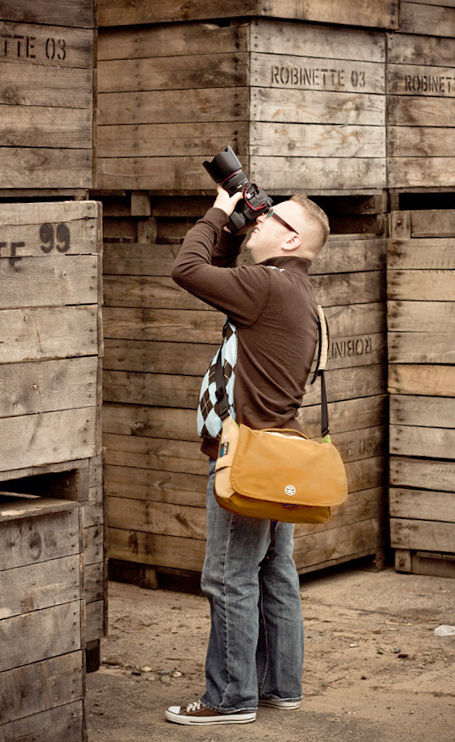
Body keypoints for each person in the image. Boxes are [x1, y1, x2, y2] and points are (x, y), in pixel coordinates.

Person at [165, 185, 330, 726]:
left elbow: (187, 268)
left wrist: (218, 208)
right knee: (273, 573)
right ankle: (278, 686)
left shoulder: (267, 287)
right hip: (280, 451)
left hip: (247, 459)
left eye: (270, 217)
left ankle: (229, 698)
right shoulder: (296, 292)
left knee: (229, 576)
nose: (256, 220)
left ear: (293, 236)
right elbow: (220, 271)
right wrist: (240, 227)